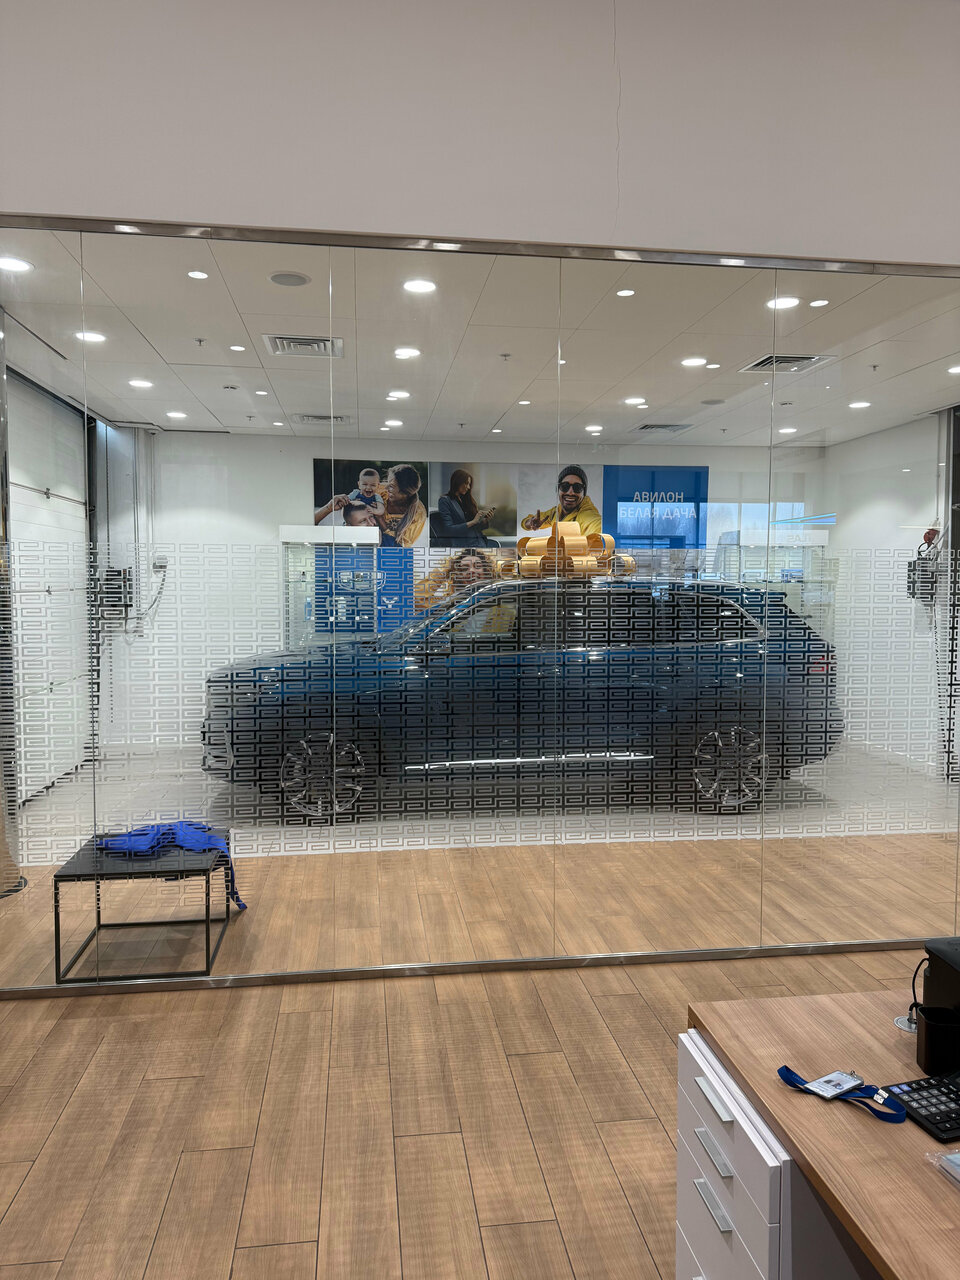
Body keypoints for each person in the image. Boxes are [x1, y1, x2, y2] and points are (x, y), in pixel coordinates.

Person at [521, 464, 602, 535]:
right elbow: (526, 522)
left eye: (577, 487)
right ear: (558, 489)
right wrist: (530, 523)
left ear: (583, 493)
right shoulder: (556, 512)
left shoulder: (586, 514)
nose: (570, 492)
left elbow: (596, 524)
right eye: (565, 486)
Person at [414, 549, 495, 610]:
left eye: (477, 566)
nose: (471, 571)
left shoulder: (498, 595)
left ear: (486, 570)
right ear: (458, 575)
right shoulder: (450, 603)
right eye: (464, 569)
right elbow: (417, 599)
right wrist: (445, 572)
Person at [432, 469, 494, 546]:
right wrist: (473, 522)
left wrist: (485, 520)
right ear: (458, 482)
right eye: (466, 483)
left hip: (479, 543)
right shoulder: (445, 500)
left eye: (469, 484)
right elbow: (448, 530)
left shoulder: (467, 500)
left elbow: (475, 528)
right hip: (464, 545)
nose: (468, 487)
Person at [375, 464, 427, 548]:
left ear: (404, 493)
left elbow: (402, 545)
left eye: (391, 486)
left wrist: (381, 521)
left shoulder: (418, 513)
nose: (386, 488)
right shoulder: (379, 491)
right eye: (387, 482)